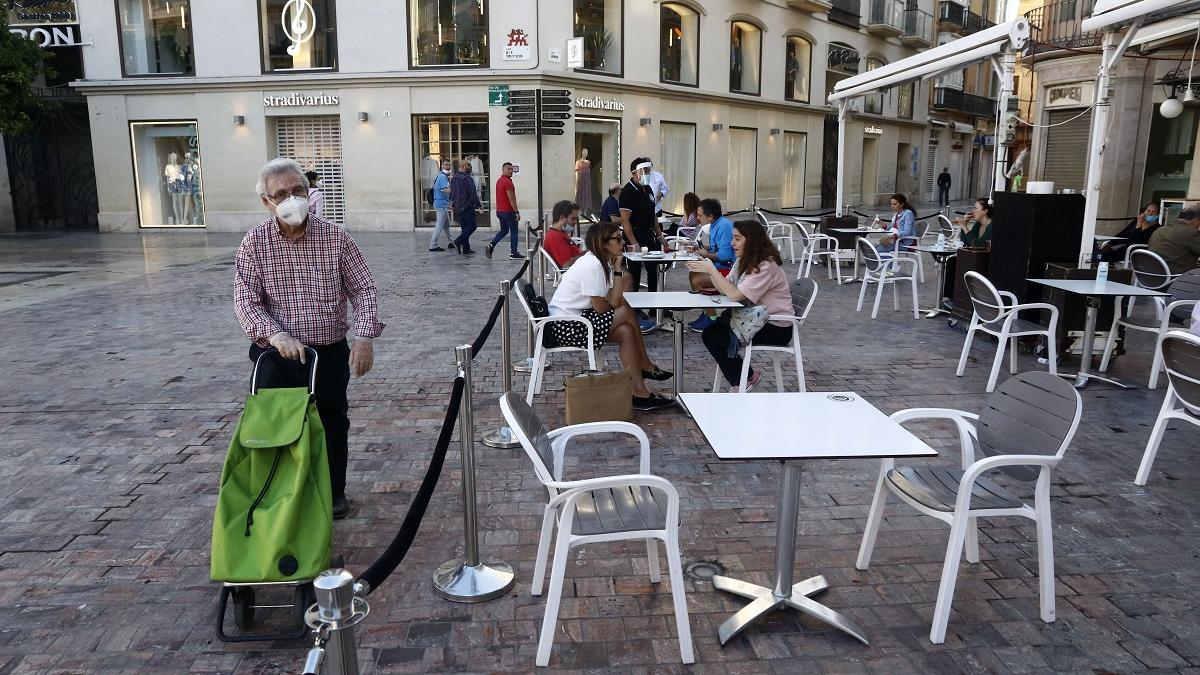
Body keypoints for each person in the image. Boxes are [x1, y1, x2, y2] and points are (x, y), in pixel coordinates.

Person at [234, 158, 385, 520]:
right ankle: (278, 491)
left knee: (333, 423)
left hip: (329, 352)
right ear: (267, 202)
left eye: (297, 190)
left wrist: (364, 336)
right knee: (275, 427)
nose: (292, 198)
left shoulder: (336, 238)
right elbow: (245, 300)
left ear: (309, 191)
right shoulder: (254, 244)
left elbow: (363, 289)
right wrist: (275, 334)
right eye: (281, 193)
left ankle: (333, 492)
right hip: (278, 355)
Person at [547, 222, 674, 411]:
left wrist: (617, 269)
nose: (622, 242)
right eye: (618, 238)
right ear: (603, 243)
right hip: (566, 325)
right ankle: (645, 364)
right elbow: (602, 308)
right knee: (628, 310)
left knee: (626, 331)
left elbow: (612, 303)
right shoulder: (591, 265)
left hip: (579, 319)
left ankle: (639, 392)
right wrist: (616, 302)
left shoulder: (600, 262)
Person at [688, 220, 793, 393]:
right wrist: (708, 270)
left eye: (737, 239)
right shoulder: (745, 260)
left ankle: (743, 381)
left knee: (716, 337)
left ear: (751, 241)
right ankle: (747, 377)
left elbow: (736, 295)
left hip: (776, 327)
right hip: (754, 318)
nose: (732, 243)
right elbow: (728, 285)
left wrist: (711, 270)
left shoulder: (766, 265)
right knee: (712, 332)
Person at [687, 198, 736, 332]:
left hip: (729, 269)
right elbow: (717, 248)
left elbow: (725, 256)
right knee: (694, 272)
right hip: (722, 266)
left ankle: (711, 318)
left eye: (700, 215)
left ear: (710, 216)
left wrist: (705, 254)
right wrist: (701, 248)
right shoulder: (716, 224)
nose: (697, 218)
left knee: (697, 280)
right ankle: (707, 312)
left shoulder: (724, 227)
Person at [619, 158, 666, 294]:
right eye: (644, 171)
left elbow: (653, 214)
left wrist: (660, 235)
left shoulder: (648, 189)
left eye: (648, 171)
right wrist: (634, 243)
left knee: (653, 270)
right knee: (635, 273)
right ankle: (635, 309)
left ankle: (653, 306)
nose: (647, 174)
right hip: (634, 234)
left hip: (649, 234)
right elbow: (625, 220)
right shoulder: (627, 192)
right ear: (634, 173)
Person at [942, 198, 994, 301]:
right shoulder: (978, 224)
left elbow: (978, 245)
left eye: (975, 208)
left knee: (959, 262)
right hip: (975, 257)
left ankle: (961, 297)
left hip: (986, 260)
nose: (973, 211)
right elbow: (966, 241)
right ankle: (951, 296)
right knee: (952, 261)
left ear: (985, 211)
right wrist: (964, 225)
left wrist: (965, 227)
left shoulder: (992, 226)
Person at [486, 162, 524, 260]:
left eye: (512, 169)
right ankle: (514, 253)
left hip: (500, 211)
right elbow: (511, 197)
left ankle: (491, 245)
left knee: (504, 230)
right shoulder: (507, 182)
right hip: (508, 211)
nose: (511, 171)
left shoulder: (499, 181)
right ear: (503, 170)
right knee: (514, 231)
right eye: (509, 169)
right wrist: (517, 212)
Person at [1149, 204, 1200, 274]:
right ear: (1197, 220)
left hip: (1150, 275)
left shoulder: (1160, 230)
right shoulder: (1191, 232)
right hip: (1175, 278)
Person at [449, 159, 481, 255]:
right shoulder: (467, 178)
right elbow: (473, 192)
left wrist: (451, 203)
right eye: (468, 165)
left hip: (459, 207)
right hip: (467, 206)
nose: (470, 167)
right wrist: (479, 204)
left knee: (465, 227)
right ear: (463, 166)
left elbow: (452, 192)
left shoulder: (454, 178)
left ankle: (466, 248)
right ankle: (457, 242)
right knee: (472, 226)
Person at [544, 200, 584, 269]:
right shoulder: (555, 237)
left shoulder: (559, 232)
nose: (575, 222)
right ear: (562, 218)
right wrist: (586, 256)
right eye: (573, 218)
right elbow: (566, 265)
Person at [429, 158, 453, 252]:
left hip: (440, 203)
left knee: (447, 224)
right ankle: (433, 245)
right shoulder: (443, 177)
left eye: (449, 165)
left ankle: (452, 242)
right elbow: (444, 189)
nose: (448, 166)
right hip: (441, 204)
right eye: (446, 165)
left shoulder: (440, 175)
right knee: (439, 225)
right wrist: (455, 192)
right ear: (442, 166)